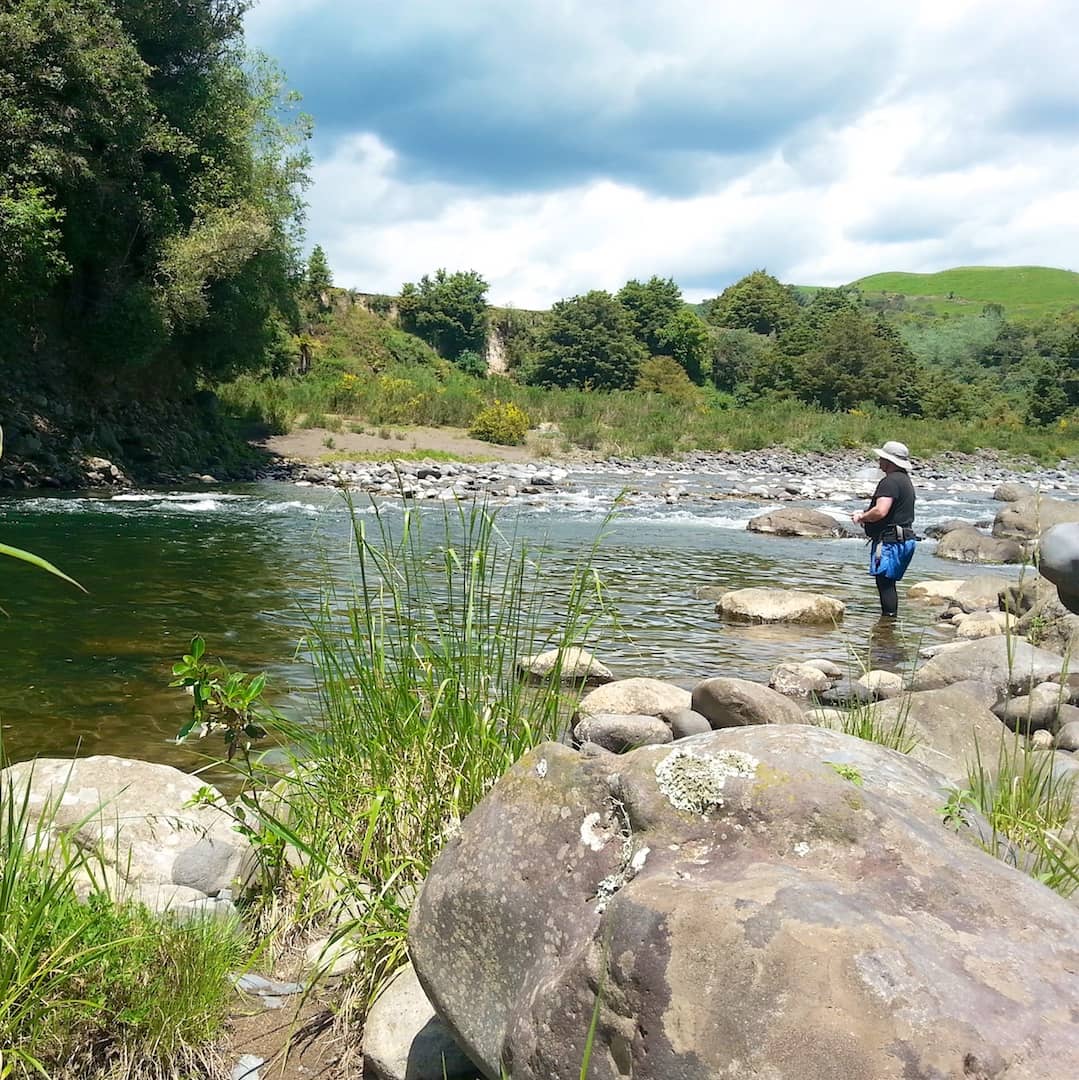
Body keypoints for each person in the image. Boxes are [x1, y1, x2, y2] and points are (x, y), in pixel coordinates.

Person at [851, 440, 917, 618]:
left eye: (882, 457)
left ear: (890, 462)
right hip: (905, 539)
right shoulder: (905, 481)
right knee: (889, 583)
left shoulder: (889, 482)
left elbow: (881, 511)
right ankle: (889, 626)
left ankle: (888, 624)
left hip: (890, 542)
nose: (879, 461)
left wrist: (862, 517)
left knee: (885, 583)